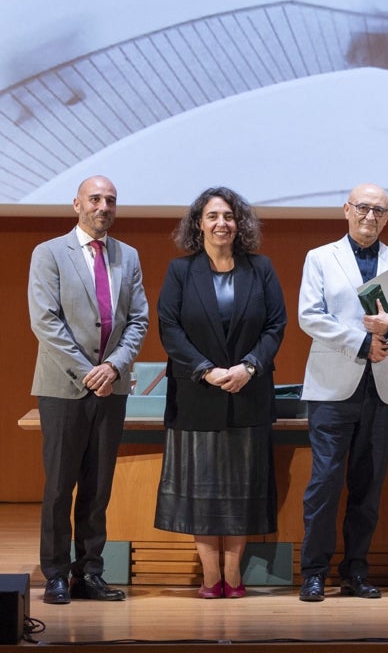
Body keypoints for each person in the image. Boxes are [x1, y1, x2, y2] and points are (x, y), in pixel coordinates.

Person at [154, 187, 287, 598]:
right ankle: (211, 577)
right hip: (197, 398)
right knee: (202, 494)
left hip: (248, 394)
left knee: (240, 492)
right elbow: (169, 328)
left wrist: (248, 367)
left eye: (228, 216)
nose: (221, 223)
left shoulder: (260, 268)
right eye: (212, 216)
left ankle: (234, 575)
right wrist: (206, 371)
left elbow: (275, 326)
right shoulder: (181, 271)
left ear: (239, 223)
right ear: (199, 224)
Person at [296, 183, 388, 602]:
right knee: (325, 482)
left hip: (384, 385)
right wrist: (359, 341)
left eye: (380, 211)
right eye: (363, 208)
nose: (371, 217)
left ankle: (356, 571)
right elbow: (309, 316)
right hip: (333, 384)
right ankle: (314, 572)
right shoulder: (320, 257)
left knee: (368, 486)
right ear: (347, 210)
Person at [28, 176, 149, 605]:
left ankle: (90, 573)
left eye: (111, 200)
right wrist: (88, 372)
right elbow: (45, 321)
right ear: (77, 203)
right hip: (64, 387)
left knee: (99, 489)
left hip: (111, 389)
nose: (104, 206)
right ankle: (57, 574)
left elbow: (138, 320)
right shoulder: (49, 253)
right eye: (95, 199)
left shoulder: (127, 256)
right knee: (60, 487)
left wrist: (113, 368)